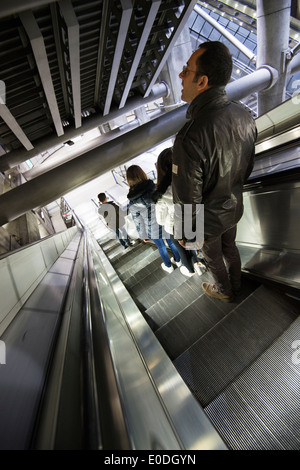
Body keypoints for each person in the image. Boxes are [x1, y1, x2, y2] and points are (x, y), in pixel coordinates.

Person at [172, 41, 257, 302]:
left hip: (209, 222)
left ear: (202, 81)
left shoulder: (189, 137)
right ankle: (238, 283)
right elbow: (247, 165)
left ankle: (225, 290)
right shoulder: (244, 114)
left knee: (213, 256)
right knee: (230, 246)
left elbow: (187, 196)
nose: (180, 75)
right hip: (234, 207)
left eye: (187, 69)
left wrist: (187, 234)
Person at [152, 147, 206, 277]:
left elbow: (160, 219)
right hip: (196, 219)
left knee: (182, 250)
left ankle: (190, 270)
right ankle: (198, 263)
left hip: (175, 227)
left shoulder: (162, 192)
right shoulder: (194, 176)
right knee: (192, 241)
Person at [126, 164, 181, 273]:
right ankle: (179, 261)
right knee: (171, 243)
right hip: (165, 222)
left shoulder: (132, 202)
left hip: (152, 229)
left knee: (161, 247)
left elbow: (138, 221)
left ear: (129, 181)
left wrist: (143, 235)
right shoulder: (155, 188)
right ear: (142, 174)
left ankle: (168, 267)